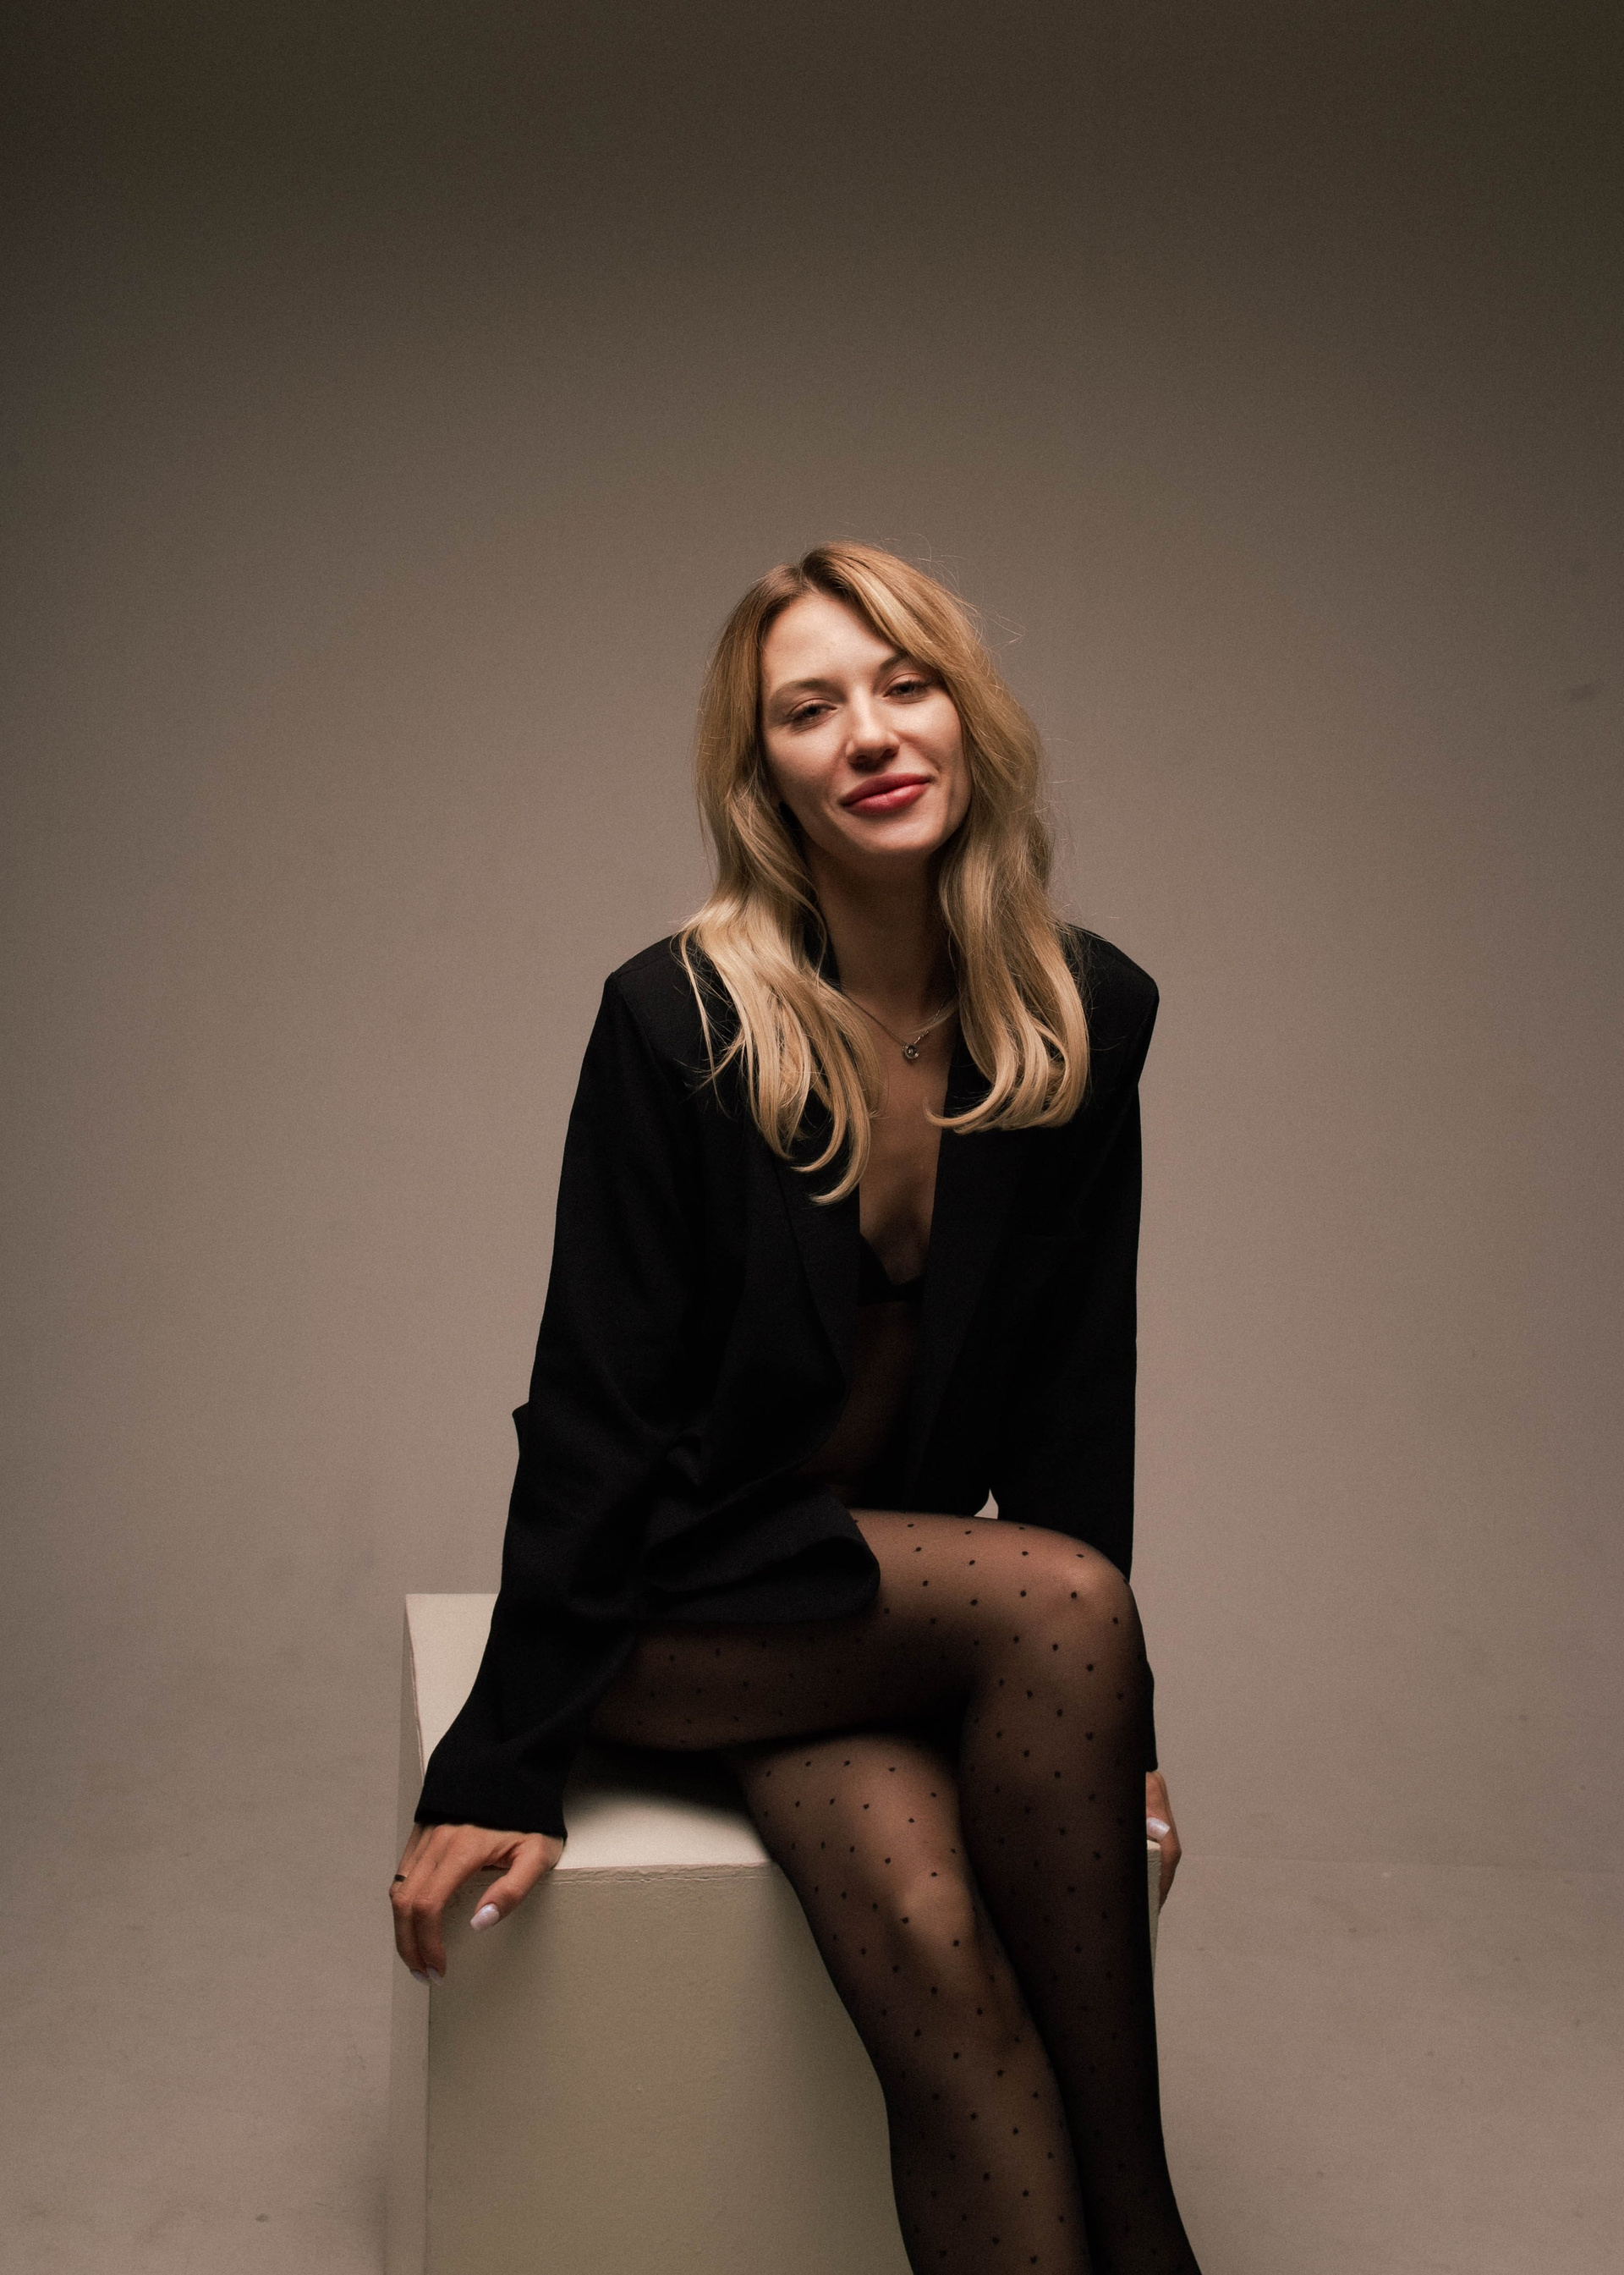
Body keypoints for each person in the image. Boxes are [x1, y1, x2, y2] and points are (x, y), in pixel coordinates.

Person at [391, 541, 1201, 2273]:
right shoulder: (677, 1017)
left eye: (906, 684)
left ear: (970, 715)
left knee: (928, 1936)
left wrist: (1115, 1726)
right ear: (762, 772)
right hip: (676, 1600)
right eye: (810, 709)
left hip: (845, 1608)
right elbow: (595, 1405)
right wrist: (505, 1755)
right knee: (1061, 1601)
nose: (871, 735)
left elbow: (1078, 1392)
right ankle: (1150, 2239)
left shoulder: (1081, 1014)